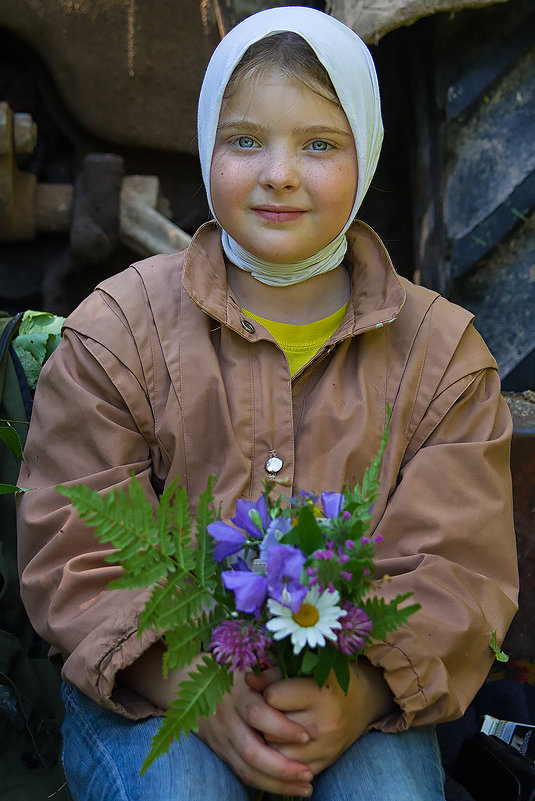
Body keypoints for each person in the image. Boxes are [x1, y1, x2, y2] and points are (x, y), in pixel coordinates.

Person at [16, 7, 518, 801]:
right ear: (206, 142)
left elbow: (454, 567)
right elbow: (76, 544)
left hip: (356, 692)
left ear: (369, 149)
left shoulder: (442, 356)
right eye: (244, 139)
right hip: (151, 689)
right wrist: (196, 687)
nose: (279, 172)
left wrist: (355, 694)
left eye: (319, 144)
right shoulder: (116, 330)